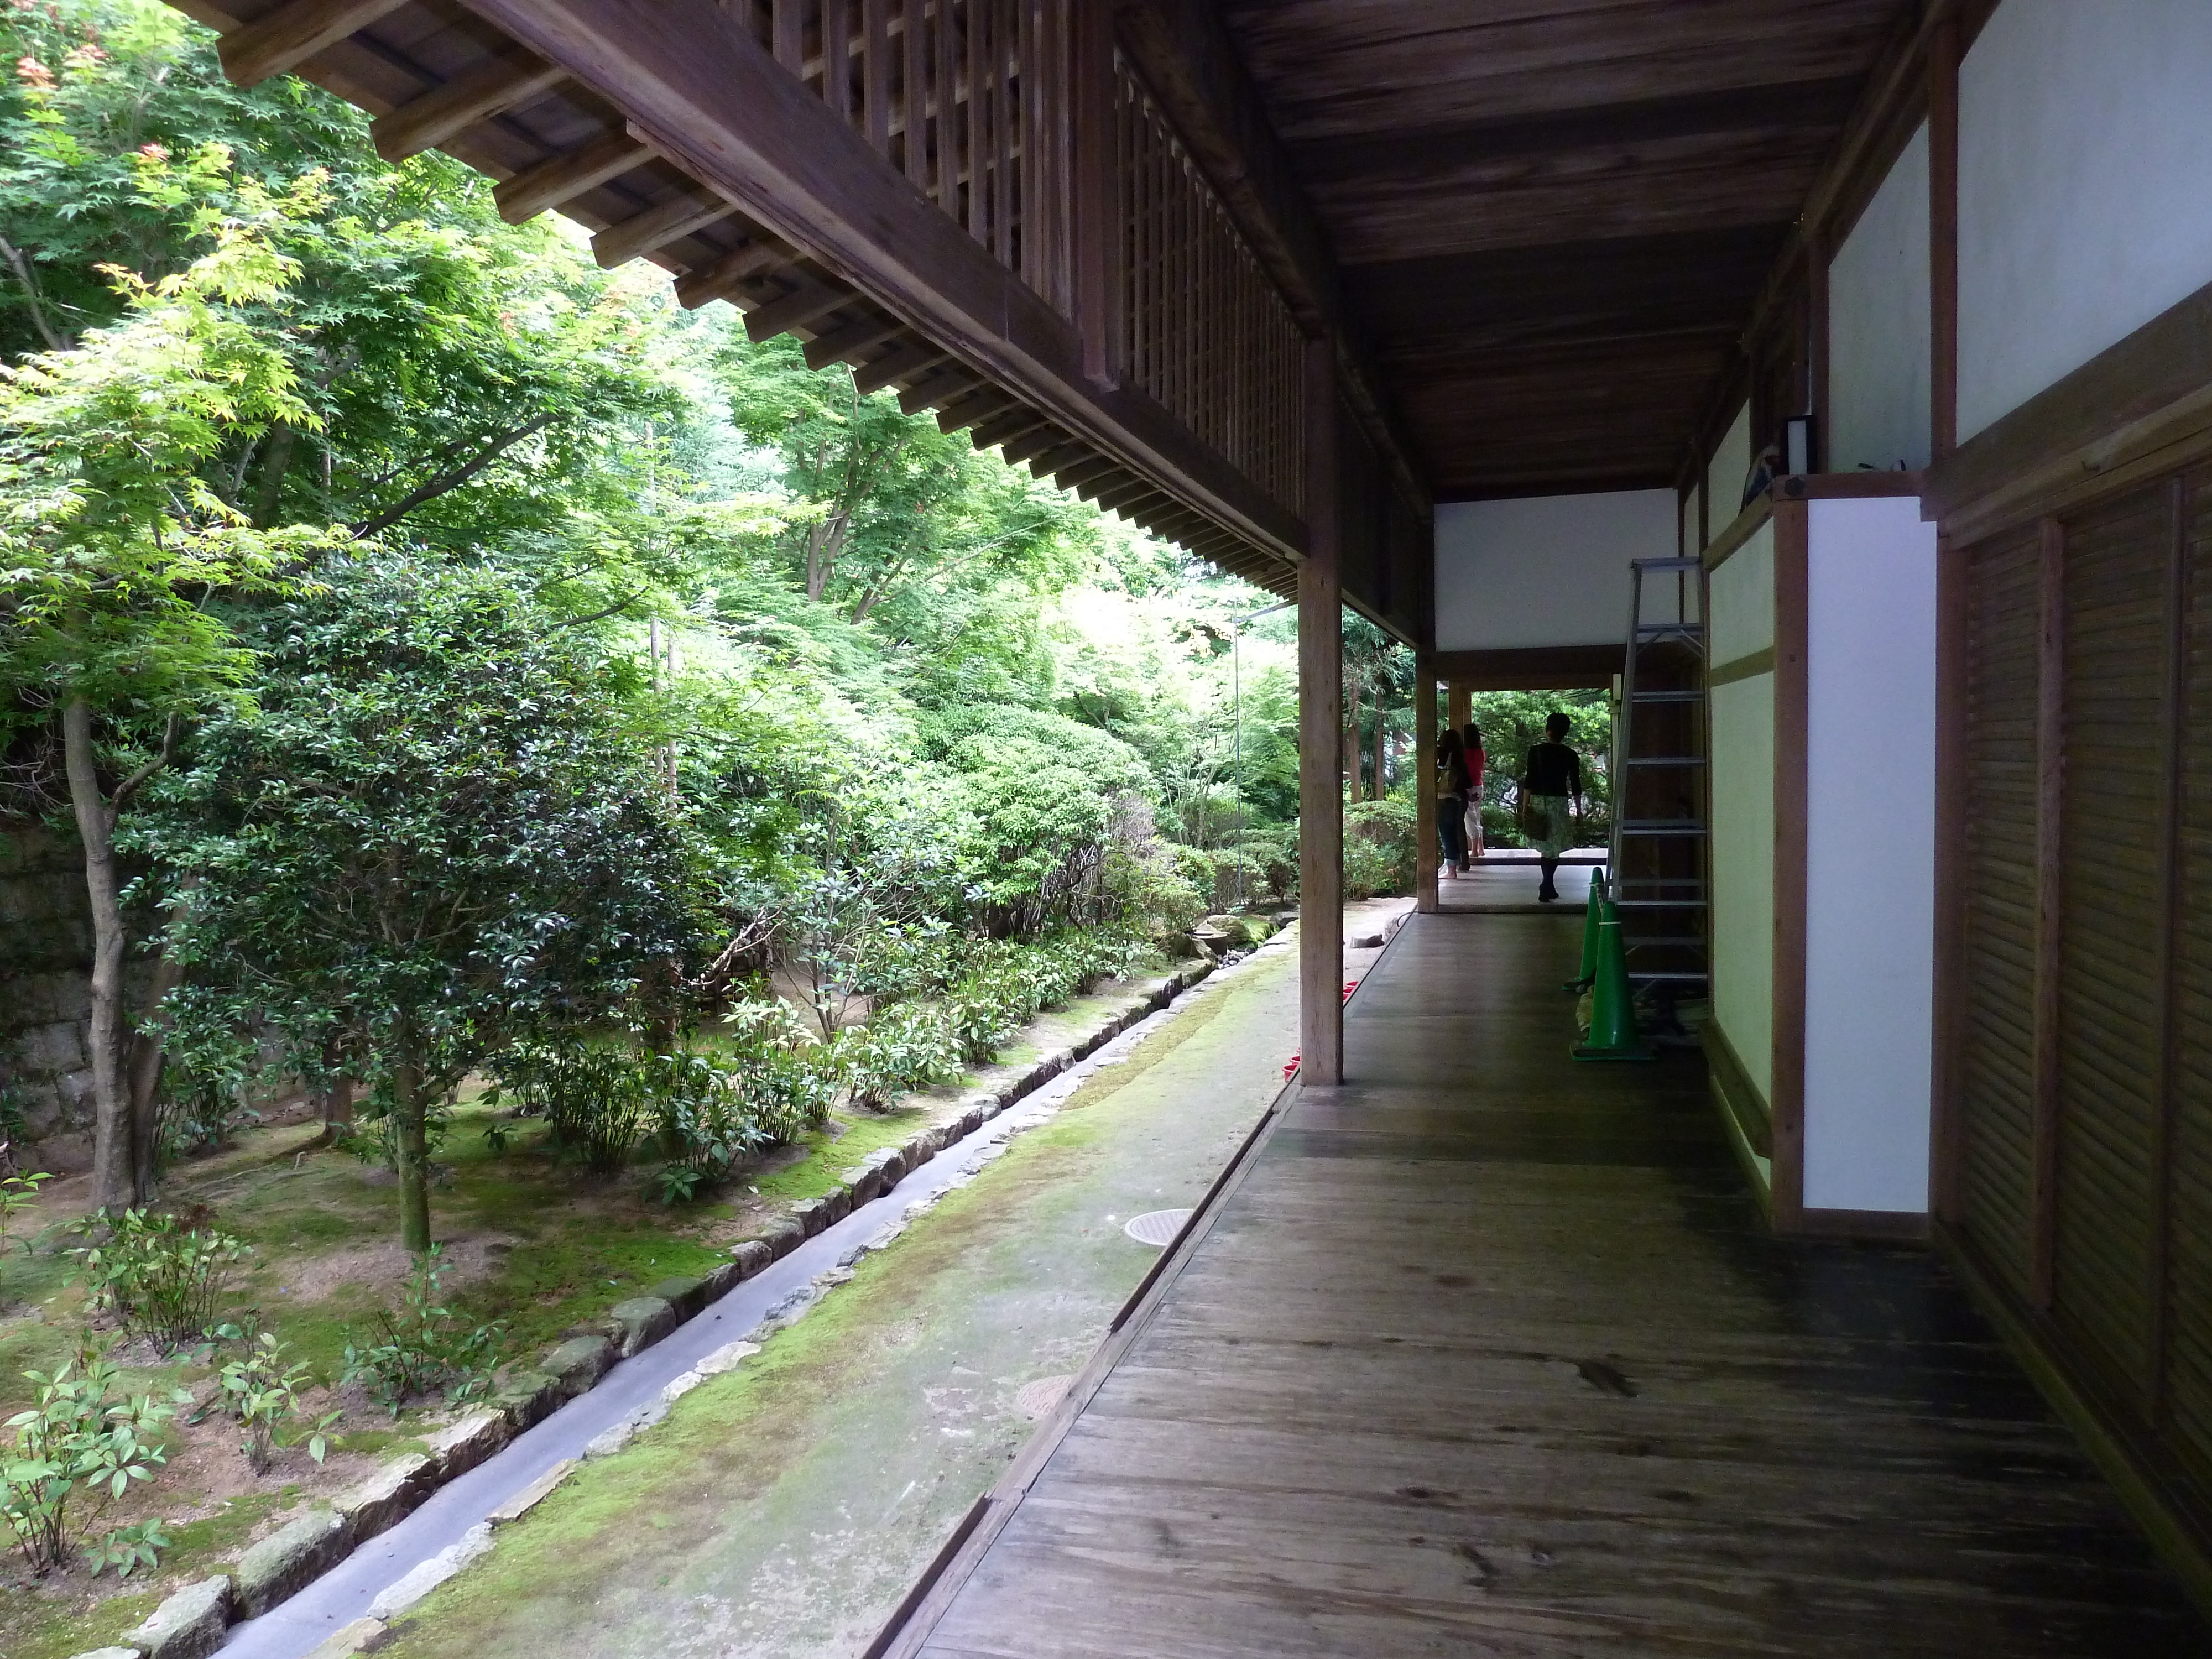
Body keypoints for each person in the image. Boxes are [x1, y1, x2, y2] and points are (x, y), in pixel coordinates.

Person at [1519, 712, 1583, 902]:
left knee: (1546, 846)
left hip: (1539, 800)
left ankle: (1547, 884)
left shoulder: (1536, 751)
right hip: (1559, 802)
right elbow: (1576, 785)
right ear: (1565, 733)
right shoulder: (1570, 755)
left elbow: (1529, 781)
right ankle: (1548, 883)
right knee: (1553, 848)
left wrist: (1525, 806)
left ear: (1548, 730)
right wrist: (1579, 810)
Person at [1433, 728, 1468, 879]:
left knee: (1447, 835)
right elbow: (1468, 780)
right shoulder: (1460, 757)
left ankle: (1452, 871)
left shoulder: (1442, 755)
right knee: (1454, 833)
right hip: (1458, 799)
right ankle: (1458, 865)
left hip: (1445, 798)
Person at [1460, 722, 1486, 869]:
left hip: (1468, 787)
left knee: (1469, 817)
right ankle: (1481, 848)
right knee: (1476, 816)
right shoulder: (1481, 751)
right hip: (1479, 785)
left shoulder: (1465, 752)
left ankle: (1475, 850)